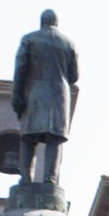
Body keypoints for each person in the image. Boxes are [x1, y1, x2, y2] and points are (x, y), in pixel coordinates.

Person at [11, 9, 79, 186]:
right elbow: (74, 75)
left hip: (34, 92)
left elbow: (20, 69)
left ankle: (26, 178)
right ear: (56, 23)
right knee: (54, 139)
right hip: (59, 96)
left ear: (41, 22)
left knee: (28, 138)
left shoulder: (29, 39)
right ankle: (49, 179)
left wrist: (16, 94)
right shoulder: (69, 43)